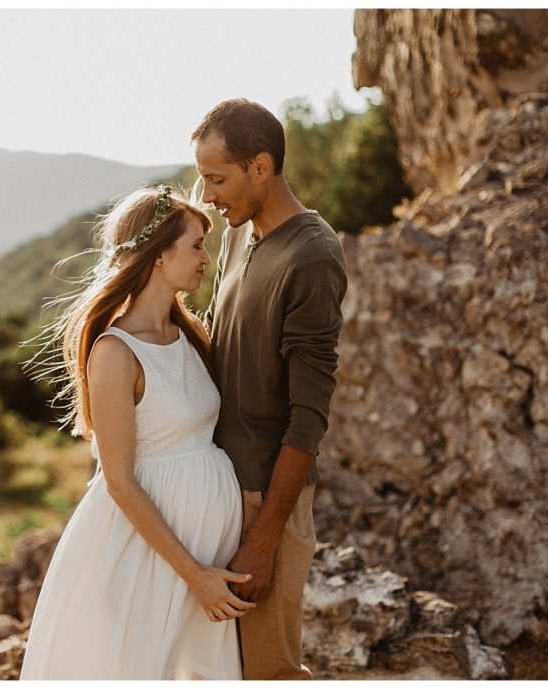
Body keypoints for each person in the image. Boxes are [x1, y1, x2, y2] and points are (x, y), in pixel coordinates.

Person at [19, 184, 254, 680]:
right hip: (151, 556)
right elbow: (119, 481)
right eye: (195, 246)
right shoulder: (116, 352)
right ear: (159, 256)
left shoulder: (190, 334)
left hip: (207, 552)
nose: (205, 259)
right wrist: (195, 576)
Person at [193, 98, 348, 680]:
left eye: (217, 178)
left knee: (269, 670)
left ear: (261, 167)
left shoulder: (312, 255)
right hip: (217, 487)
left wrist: (264, 539)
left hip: (267, 496)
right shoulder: (238, 236)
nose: (208, 195)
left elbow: (309, 416)